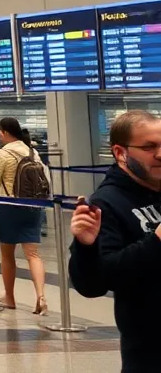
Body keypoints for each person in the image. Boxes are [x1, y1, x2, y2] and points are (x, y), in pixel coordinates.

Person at [68, 109, 161, 373]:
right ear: (121, 153)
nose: (160, 154)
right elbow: (92, 282)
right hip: (150, 352)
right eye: (148, 147)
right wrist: (155, 242)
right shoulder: (105, 204)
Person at [0, 116, 47, 314]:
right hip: (33, 206)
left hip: (10, 206)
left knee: (7, 255)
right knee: (33, 254)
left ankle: (10, 297)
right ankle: (40, 295)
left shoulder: (2, 154)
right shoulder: (33, 151)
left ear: (4, 132)